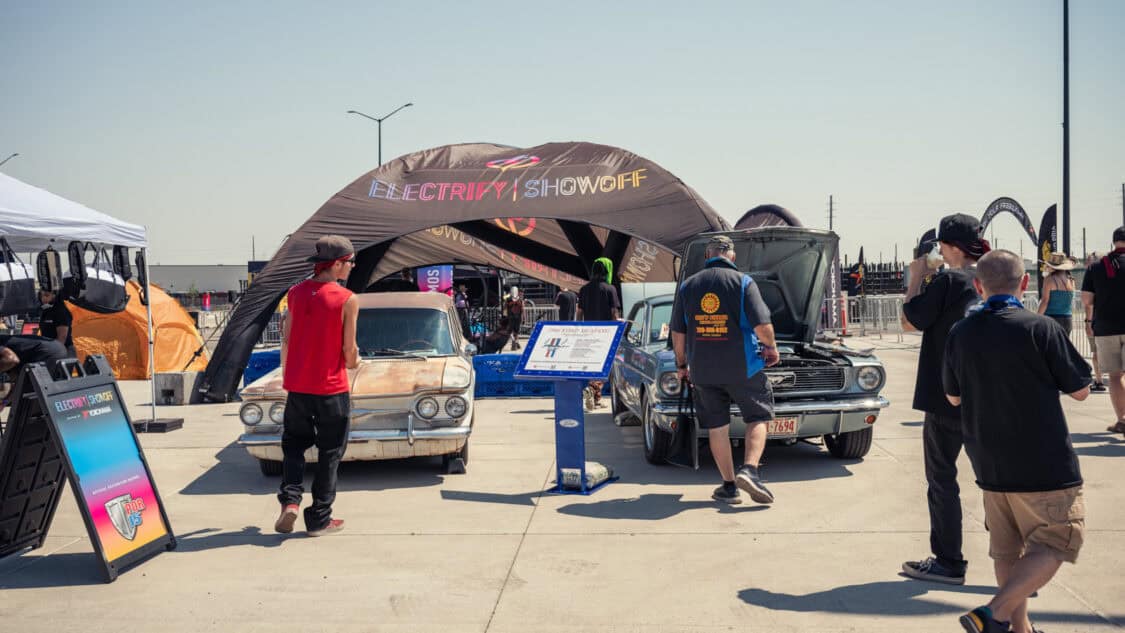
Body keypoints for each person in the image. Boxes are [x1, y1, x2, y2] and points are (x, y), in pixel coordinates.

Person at [943, 250, 1090, 633]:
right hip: (1043, 461)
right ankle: (994, 612)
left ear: (979, 286)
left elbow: (953, 397)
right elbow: (1080, 391)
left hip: (989, 461)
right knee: (1056, 542)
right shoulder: (1041, 328)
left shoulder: (960, 332)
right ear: (1025, 283)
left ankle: (1017, 628)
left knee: (1007, 551)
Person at [900, 213, 989, 585]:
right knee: (997, 483)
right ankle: (1016, 566)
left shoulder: (947, 280)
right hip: (986, 396)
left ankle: (948, 561)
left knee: (942, 479)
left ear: (948, 246)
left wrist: (917, 275)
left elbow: (909, 321)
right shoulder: (991, 278)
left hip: (943, 397)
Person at [670, 235, 780, 505]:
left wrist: (682, 365)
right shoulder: (743, 282)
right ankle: (750, 471)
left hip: (703, 371)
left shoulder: (688, 286)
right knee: (757, 416)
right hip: (744, 368)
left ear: (707, 256)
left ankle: (729, 487)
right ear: (732, 256)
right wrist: (771, 348)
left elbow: (678, 332)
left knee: (717, 427)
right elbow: (762, 325)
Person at [274, 235, 360, 537]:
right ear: (337, 264)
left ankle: (291, 501)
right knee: (330, 453)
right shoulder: (347, 299)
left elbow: (287, 337)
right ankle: (319, 518)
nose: (351, 267)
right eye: (350, 262)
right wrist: (356, 359)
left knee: (294, 447)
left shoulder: (295, 293)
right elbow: (349, 354)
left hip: (297, 387)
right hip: (331, 389)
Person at [1082, 226, 1125, 434]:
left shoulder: (1097, 267)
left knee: (1115, 376)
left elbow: (1087, 299)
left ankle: (1122, 419)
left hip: (1106, 327)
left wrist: (1089, 321)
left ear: (1113, 242)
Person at [577, 259, 621, 409]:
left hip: (588, 333)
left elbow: (579, 312)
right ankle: (592, 389)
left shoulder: (584, 289)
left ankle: (595, 398)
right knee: (604, 366)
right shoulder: (610, 289)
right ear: (607, 271)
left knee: (592, 365)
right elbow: (614, 312)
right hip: (606, 334)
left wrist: (579, 328)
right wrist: (618, 329)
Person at [0, 335, 70, 414]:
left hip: (46, 352)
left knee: (28, 404)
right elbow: (18, 384)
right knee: (38, 399)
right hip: (58, 348)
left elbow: (12, 359)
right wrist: (5, 402)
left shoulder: (6, 352)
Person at [1036, 253, 1077, 334]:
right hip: (1067, 319)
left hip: (1052, 319)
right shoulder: (1071, 280)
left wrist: (1037, 318)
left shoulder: (1049, 279)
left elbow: (1045, 301)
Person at [1084, 252, 1107, 392]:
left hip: (1097, 322)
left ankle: (1099, 381)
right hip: (1109, 321)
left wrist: (1088, 322)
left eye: (1089, 260)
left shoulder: (1092, 274)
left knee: (1096, 353)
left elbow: (1088, 303)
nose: (1086, 262)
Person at [37, 288, 76, 358]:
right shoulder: (46, 310)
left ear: (55, 295)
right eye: (41, 295)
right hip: (51, 350)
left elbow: (62, 338)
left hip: (63, 351)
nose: (43, 299)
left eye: (46, 295)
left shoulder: (61, 311)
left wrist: (52, 353)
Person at [506, 287, 524, 351]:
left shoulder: (520, 300)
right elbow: (506, 306)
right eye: (521, 292)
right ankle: (515, 342)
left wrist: (523, 318)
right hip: (511, 317)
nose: (522, 294)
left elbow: (522, 310)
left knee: (516, 332)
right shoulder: (508, 298)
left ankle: (516, 343)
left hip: (517, 317)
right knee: (510, 331)